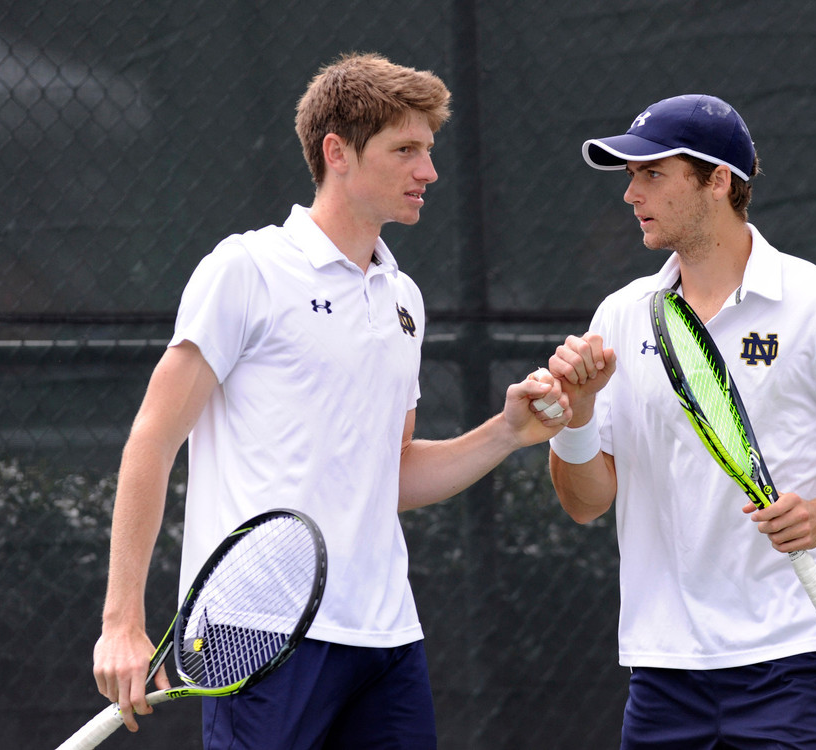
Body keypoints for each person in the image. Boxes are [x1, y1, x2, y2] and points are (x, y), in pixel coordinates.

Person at [91, 52, 568, 750]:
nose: (428, 171)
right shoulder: (247, 270)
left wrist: (506, 431)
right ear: (337, 153)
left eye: (429, 150)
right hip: (256, 635)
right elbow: (153, 440)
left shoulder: (404, 300)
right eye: (405, 150)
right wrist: (121, 624)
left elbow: (389, 472)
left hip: (386, 639)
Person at [542, 94, 816, 748]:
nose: (631, 194)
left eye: (652, 174)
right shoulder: (620, 315)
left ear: (717, 181)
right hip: (661, 674)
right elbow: (585, 504)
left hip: (793, 666)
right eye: (630, 176)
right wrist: (574, 417)